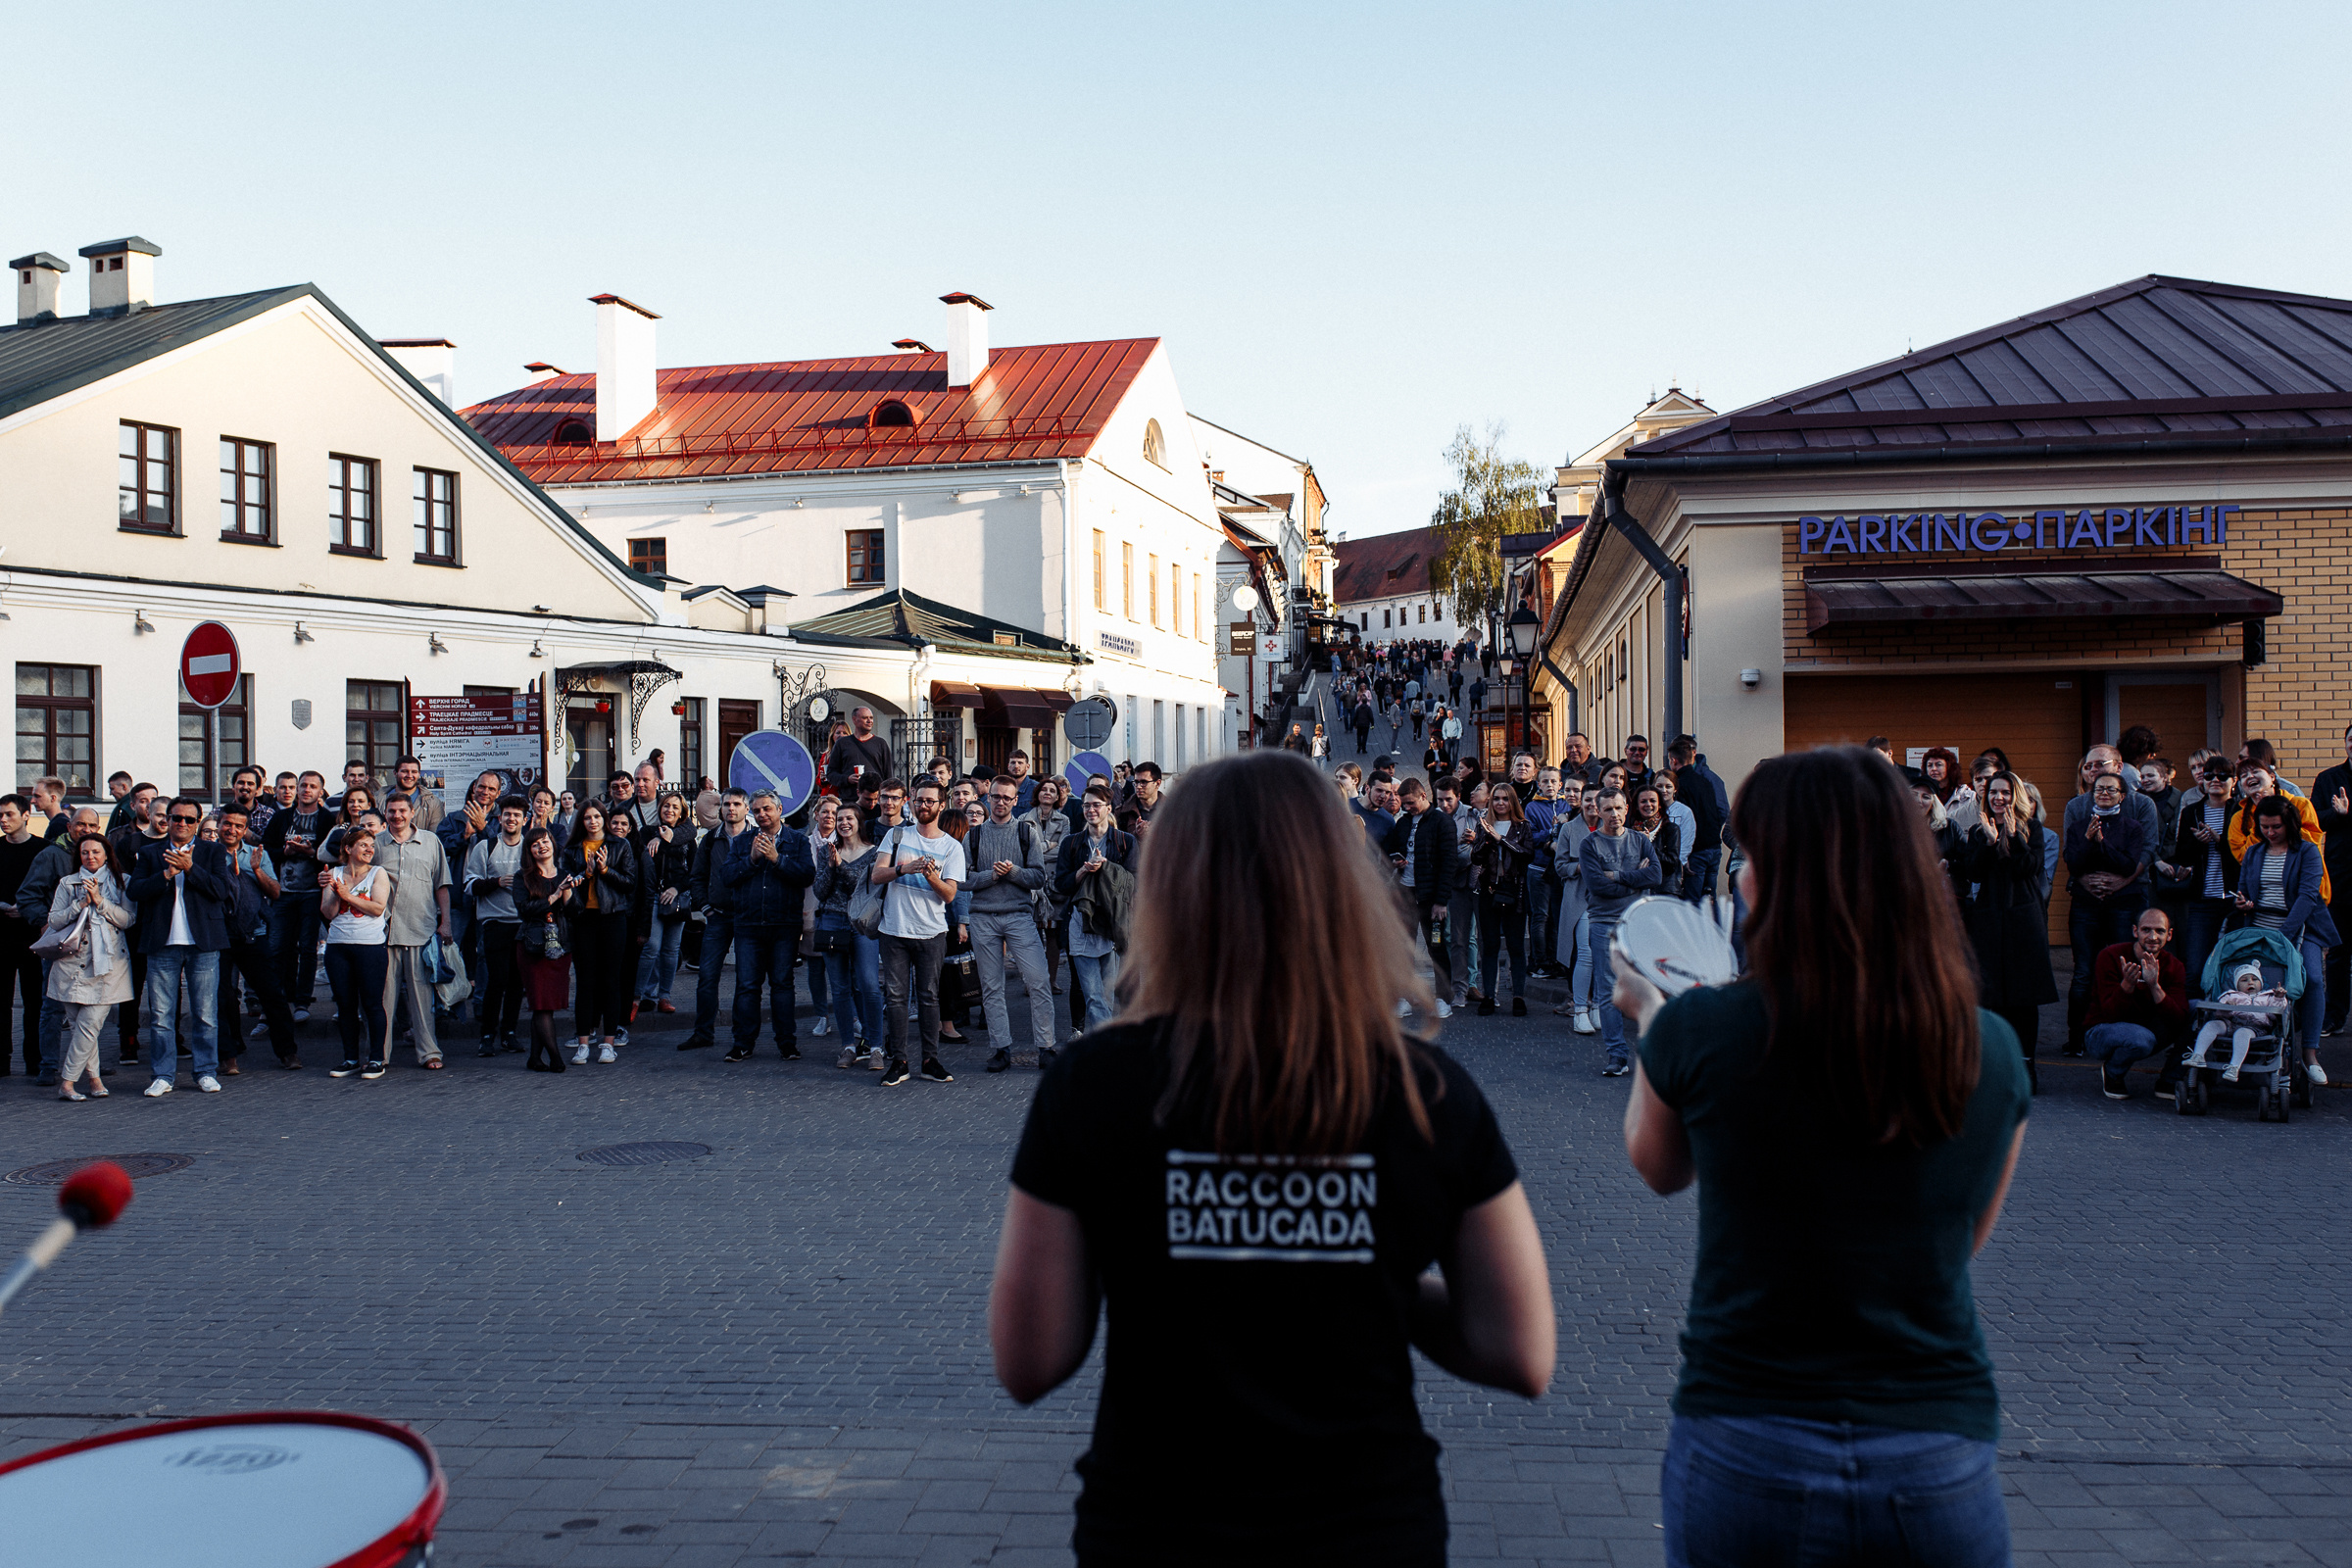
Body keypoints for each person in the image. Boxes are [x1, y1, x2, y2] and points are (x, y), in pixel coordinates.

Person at [989, 750, 1552, 1567]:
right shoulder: (1424, 1089)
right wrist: (1368, 1272)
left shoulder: (1095, 1083)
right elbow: (1521, 1350)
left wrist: (1158, 1256)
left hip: (1157, 1525)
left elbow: (1031, 1360)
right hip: (1368, 1525)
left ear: (1171, 891)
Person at [1620, 746, 2029, 1568]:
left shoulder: (1705, 1029)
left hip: (1749, 1432)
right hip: (1934, 1443)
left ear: (1787, 876)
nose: (1738, 878)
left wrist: (1652, 1022)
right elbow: (1959, 1239)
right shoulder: (1988, 1048)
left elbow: (1658, 1165)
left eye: (1752, 859)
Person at [129, 797, 232, 1097]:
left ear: (197, 823)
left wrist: (190, 869)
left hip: (203, 942)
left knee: (205, 1013)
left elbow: (221, 890)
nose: (182, 824)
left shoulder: (213, 851)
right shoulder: (150, 852)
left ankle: (205, 1071)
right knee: (161, 1016)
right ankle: (163, 1074)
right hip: (162, 943)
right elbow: (135, 890)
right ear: (167, 821)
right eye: (176, 818)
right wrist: (165, 875)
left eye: (189, 819)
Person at [1960, 771, 2056, 1094]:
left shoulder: (2033, 829)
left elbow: (2027, 868)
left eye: (2005, 792)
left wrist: (2014, 837)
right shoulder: (1978, 830)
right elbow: (1972, 871)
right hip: (1988, 920)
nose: (1998, 798)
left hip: (2023, 920)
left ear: (2016, 796)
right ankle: (1993, 1067)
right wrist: (1988, 841)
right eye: (1993, 793)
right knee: (1991, 996)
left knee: (2023, 999)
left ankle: (2027, 1067)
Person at [2235, 794, 2337, 1085]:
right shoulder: (2254, 853)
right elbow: (2244, 890)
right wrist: (2242, 904)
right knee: (2254, 982)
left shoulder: (2306, 851)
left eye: (2276, 827)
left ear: (2289, 824)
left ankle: (2310, 1054)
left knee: (2314, 980)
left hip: (2301, 928)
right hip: (2260, 927)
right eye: (2265, 827)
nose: (2270, 832)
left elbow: (2307, 898)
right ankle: (2256, 1044)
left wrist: (2283, 936)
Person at [968, 776, 1056, 1074]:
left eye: (1007, 797)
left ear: (1016, 800)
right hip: (982, 917)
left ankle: (1045, 1046)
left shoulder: (1025, 833)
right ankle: (1001, 1049)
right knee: (991, 987)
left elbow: (1038, 877)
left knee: (1038, 980)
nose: (1001, 802)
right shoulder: (975, 836)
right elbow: (964, 880)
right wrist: (990, 877)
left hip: (1019, 916)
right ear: (988, 798)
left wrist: (1013, 872)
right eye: (996, 797)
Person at [721, 789, 814, 1061]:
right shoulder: (742, 842)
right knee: (747, 985)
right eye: (757, 810)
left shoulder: (797, 841)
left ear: (779, 809)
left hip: (784, 924)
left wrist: (777, 858)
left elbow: (807, 875)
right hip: (749, 925)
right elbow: (727, 876)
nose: (761, 814)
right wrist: (751, 860)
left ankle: (787, 1043)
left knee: (782, 985)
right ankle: (742, 1043)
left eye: (767, 809)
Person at [2061, 768, 2149, 1054]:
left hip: (2123, 904)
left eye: (2112, 789)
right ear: (2091, 793)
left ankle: (2117, 1033)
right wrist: (2088, 841)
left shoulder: (2133, 827)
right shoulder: (2077, 827)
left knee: (2120, 968)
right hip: (2086, 906)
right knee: (2084, 972)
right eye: (2099, 789)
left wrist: (2102, 844)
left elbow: (2127, 866)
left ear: (2122, 795)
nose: (2105, 794)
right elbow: (2074, 865)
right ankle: (2077, 1037)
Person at [44, 833, 134, 1101]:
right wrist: (80, 903)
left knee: (90, 1025)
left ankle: (67, 1083)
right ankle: (94, 1081)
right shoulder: (68, 883)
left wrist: (100, 901)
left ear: (107, 854)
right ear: (78, 856)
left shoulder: (122, 882)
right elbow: (55, 921)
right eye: (85, 852)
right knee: (78, 1026)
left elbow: (128, 919)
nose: (91, 857)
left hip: (108, 963)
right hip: (71, 962)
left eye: (96, 852)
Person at [1582, 787, 1662, 1076]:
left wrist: (1617, 875)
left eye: (1618, 808)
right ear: (1598, 812)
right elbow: (1596, 886)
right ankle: (1617, 1054)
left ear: (1627, 808)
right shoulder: (1590, 845)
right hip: (1604, 923)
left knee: (1649, 986)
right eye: (1607, 809)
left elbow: (1656, 875)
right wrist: (1636, 881)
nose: (1614, 815)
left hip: (1637, 921)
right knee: (1608, 990)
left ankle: (1653, 1051)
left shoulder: (1640, 840)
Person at [215, 805, 297, 1070]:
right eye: (227, 824)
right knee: (223, 996)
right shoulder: (209, 853)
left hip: (253, 934)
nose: (232, 830)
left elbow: (275, 893)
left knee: (272, 993)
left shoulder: (256, 853)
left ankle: (287, 1052)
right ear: (219, 824)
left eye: (239, 826)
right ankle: (229, 1053)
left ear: (245, 829)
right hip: (219, 936)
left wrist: (255, 870)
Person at [374, 794, 453, 1068]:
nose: (397, 816)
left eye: (402, 811)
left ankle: (429, 1052)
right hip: (384, 932)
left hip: (421, 929)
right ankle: (379, 1055)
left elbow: (441, 885)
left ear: (412, 812)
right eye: (392, 811)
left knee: (422, 998)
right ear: (385, 813)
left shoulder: (431, 842)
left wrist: (446, 923)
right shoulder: (376, 844)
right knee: (384, 1000)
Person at [1054, 788, 1137, 1033]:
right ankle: (1106, 1044)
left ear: (1108, 809)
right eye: (1086, 805)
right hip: (1081, 924)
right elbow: (1060, 884)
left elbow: (1135, 882)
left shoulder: (1124, 841)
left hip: (1113, 925)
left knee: (1107, 994)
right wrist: (1082, 872)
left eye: (1097, 805)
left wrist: (1107, 868)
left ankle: (1103, 1041)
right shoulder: (1072, 842)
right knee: (1092, 994)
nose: (1091, 810)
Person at [562, 802, 637, 1063]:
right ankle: (583, 1042)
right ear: (580, 822)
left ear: (604, 818)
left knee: (611, 981)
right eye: (587, 818)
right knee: (585, 981)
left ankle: (608, 1043)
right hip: (584, 919)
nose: (592, 822)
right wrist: (587, 872)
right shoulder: (572, 849)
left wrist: (605, 871)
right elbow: (567, 885)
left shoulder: (619, 845)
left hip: (613, 917)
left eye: (596, 817)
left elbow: (629, 884)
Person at [2085, 906, 2189, 1100]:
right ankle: (2113, 1072)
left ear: (2169, 935)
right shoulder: (2111, 956)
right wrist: (2126, 985)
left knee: (2196, 1010)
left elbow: (2179, 1019)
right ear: (2135, 931)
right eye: (2146, 930)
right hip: (2102, 1032)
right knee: (2142, 1039)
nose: (2153, 937)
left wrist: (2154, 986)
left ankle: (2169, 1080)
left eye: (2160, 931)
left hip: (2146, 1028)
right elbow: (2109, 1014)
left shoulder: (2174, 966)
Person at [813, 804, 885, 1066]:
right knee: (840, 988)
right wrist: (831, 865)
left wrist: (840, 865)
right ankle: (848, 1046)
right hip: (832, 921)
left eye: (848, 818)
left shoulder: (874, 853)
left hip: (862, 923)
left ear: (859, 822)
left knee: (868, 984)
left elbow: (861, 885)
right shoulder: (826, 852)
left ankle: (875, 1046)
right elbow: (820, 891)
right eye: (838, 818)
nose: (843, 822)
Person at [320, 827, 394, 1080]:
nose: (369, 849)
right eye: (363, 845)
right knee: (345, 1004)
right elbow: (328, 913)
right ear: (348, 849)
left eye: (371, 845)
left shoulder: (378, 873)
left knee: (373, 1004)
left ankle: (376, 1059)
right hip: (338, 946)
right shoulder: (334, 873)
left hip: (370, 947)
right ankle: (350, 1058)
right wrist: (334, 892)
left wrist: (347, 896)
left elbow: (377, 908)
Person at [262, 770, 332, 1024]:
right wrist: (286, 850)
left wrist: (311, 852)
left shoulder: (326, 819)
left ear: (320, 791)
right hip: (283, 891)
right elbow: (266, 848)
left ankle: (303, 1001)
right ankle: (277, 999)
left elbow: (332, 854)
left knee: (308, 947)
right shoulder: (282, 817)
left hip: (312, 893)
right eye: (303, 785)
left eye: (313, 786)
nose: (306, 790)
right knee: (277, 947)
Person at [465, 796, 532, 1056]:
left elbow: (546, 880)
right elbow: (469, 886)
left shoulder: (531, 846)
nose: (511, 819)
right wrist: (496, 882)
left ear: (525, 820)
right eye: (507, 814)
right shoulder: (486, 846)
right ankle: (487, 1035)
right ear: (499, 818)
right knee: (496, 980)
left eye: (516, 815)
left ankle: (510, 1033)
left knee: (517, 982)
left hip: (523, 923)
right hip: (494, 922)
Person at [1383, 779, 1455, 1017]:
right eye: (1404, 804)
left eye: (1411, 803)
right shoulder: (1403, 823)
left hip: (1430, 898)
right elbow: (1392, 848)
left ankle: (1443, 998)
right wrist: (1396, 858)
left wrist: (1441, 900)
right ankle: (1403, 996)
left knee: (1436, 946)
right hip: (1405, 894)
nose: (1407, 808)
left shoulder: (1442, 822)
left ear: (1424, 796)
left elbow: (1448, 863)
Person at [514, 826, 578, 1072]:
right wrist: (554, 895)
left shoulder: (564, 873)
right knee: (541, 1004)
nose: (542, 846)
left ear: (553, 843)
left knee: (547, 1004)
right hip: (533, 947)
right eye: (535, 844)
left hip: (560, 946)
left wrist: (568, 891)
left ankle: (534, 1058)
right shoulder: (523, 877)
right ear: (529, 850)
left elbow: (575, 912)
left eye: (545, 841)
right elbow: (524, 910)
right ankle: (556, 1058)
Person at [1471, 782, 1533, 1017]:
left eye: (1505, 799)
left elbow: (1527, 855)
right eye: (1496, 798)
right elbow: (1475, 857)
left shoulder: (1522, 826)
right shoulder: (1484, 824)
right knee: (1490, 946)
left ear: (1512, 802)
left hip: (1514, 891)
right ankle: (1489, 996)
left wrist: (1500, 839)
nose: (1500, 803)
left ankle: (1518, 996)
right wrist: (1487, 839)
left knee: (1516, 946)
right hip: (1489, 891)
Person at [634, 790, 695, 1016]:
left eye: (675, 807)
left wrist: (676, 887)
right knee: (651, 947)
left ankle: (664, 996)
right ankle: (638, 996)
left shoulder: (687, 837)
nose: (669, 810)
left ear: (682, 813)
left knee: (671, 951)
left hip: (676, 899)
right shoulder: (647, 832)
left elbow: (694, 871)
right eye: (666, 806)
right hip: (652, 898)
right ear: (659, 809)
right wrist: (659, 838)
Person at [0, 794, 45, 1078]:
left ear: (26, 815)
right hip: (1, 935)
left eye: (9, 814)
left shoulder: (43, 850)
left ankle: (35, 1059)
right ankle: (2, 1059)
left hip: (32, 936)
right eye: (1, 816)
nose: (4, 820)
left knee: (34, 1001)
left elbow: (53, 889)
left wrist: (30, 909)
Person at [2194, 960, 2293, 1084]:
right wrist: (2227, 1006)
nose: (2250, 982)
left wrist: (2278, 998)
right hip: (2231, 1023)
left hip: (2256, 1027)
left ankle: (2234, 1067)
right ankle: (2198, 1055)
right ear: (2237, 985)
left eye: (2254, 979)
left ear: (2261, 984)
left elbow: (2274, 1016)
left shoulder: (2268, 997)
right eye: (2244, 980)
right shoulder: (2231, 995)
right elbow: (2219, 1013)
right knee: (2212, 1025)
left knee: (2242, 1032)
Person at [2314, 723, 2352, 1035]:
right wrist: (2336, 813)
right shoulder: (2328, 779)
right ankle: (2334, 1017)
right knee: (2339, 951)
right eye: (2351, 740)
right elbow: (2315, 821)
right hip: (2341, 875)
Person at [1116, 762, 1164, 839]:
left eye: (1144, 782)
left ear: (1157, 783)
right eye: (1136, 782)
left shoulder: (1173, 810)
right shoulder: (1122, 812)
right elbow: (1119, 843)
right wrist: (1137, 834)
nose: (1138, 786)